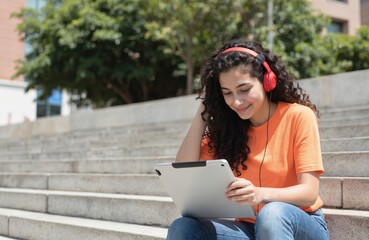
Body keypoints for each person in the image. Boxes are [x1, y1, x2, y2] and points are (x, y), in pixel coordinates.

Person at [166, 39, 330, 240]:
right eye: (227, 93)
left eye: (244, 90)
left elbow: (309, 192)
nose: (236, 101)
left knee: (272, 214)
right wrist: (205, 108)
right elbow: (184, 168)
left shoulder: (299, 116)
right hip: (248, 228)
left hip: (299, 223)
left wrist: (259, 194)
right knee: (183, 227)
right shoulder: (228, 131)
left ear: (267, 81)